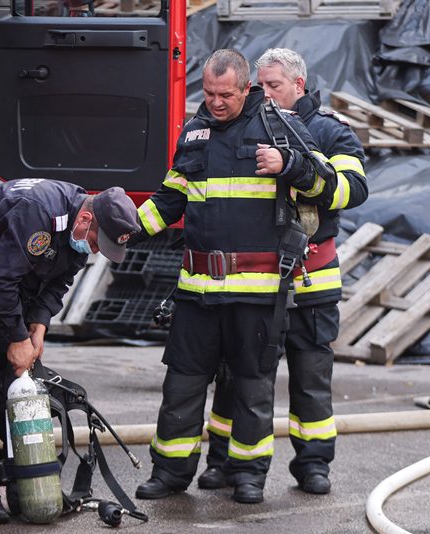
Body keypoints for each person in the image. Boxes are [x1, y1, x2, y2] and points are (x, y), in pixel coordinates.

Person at [133, 49, 332, 505]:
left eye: (226, 94)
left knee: (251, 387)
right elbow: (171, 197)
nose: (217, 102)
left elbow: (324, 185)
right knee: (181, 384)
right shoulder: (195, 131)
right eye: (209, 93)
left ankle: (248, 474)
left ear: (248, 89)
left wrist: (290, 166)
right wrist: (127, 227)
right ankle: (169, 473)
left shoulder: (280, 127)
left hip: (257, 293)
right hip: (197, 291)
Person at [197, 48, 368, 496]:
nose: (265, 94)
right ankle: (223, 461)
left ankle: (313, 466)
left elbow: (353, 189)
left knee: (311, 381)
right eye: (261, 85)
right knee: (238, 375)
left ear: (299, 86)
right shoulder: (239, 128)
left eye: (273, 85)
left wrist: (301, 169)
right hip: (254, 281)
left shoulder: (329, 131)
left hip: (311, 281)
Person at [0, 179, 141, 524]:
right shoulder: (41, 213)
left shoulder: (79, 230)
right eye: (100, 242)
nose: (98, 251)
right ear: (86, 220)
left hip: (2, 281)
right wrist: (17, 338)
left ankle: (21, 482)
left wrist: (39, 324)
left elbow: (60, 279)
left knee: (18, 382)